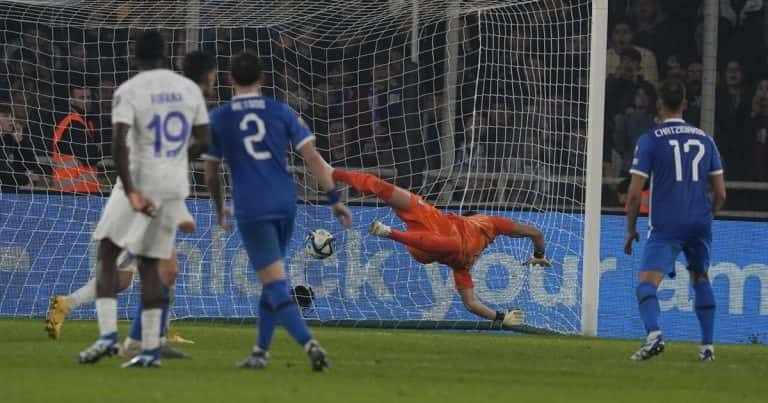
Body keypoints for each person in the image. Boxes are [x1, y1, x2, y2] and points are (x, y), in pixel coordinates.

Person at [46, 51, 218, 357]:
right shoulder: (174, 102)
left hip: (137, 187)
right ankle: (154, 335)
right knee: (164, 267)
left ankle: (67, 303)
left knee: (125, 278)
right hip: (141, 191)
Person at [203, 50, 352, 371]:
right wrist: (334, 197)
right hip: (286, 202)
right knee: (273, 276)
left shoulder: (220, 117)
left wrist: (219, 209)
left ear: (230, 80)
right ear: (262, 79)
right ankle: (260, 351)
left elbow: (211, 173)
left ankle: (309, 344)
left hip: (252, 206)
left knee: (273, 282)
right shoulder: (281, 111)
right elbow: (312, 157)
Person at [330, 168, 551, 326]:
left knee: (450, 245)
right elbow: (535, 233)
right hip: (428, 222)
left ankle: (390, 232)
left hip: (424, 243)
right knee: (380, 186)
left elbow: (471, 304)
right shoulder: (488, 227)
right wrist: (539, 253)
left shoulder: (463, 264)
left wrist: (501, 318)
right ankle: (331, 172)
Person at [624, 78, 726, 361]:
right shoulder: (706, 140)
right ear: (684, 104)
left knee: (646, 283)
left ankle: (654, 335)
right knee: (700, 276)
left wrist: (630, 230)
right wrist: (708, 217)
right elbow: (720, 192)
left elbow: (634, 195)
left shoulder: (650, 140)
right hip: (699, 222)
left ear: (659, 104)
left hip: (667, 224)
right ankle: (707, 348)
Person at [51, 81, 102, 193]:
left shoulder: (87, 124)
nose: (87, 101)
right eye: (82, 97)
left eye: (88, 97)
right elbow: (91, 156)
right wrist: (98, 149)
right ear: (71, 101)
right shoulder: (73, 124)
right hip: (70, 193)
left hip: (84, 192)